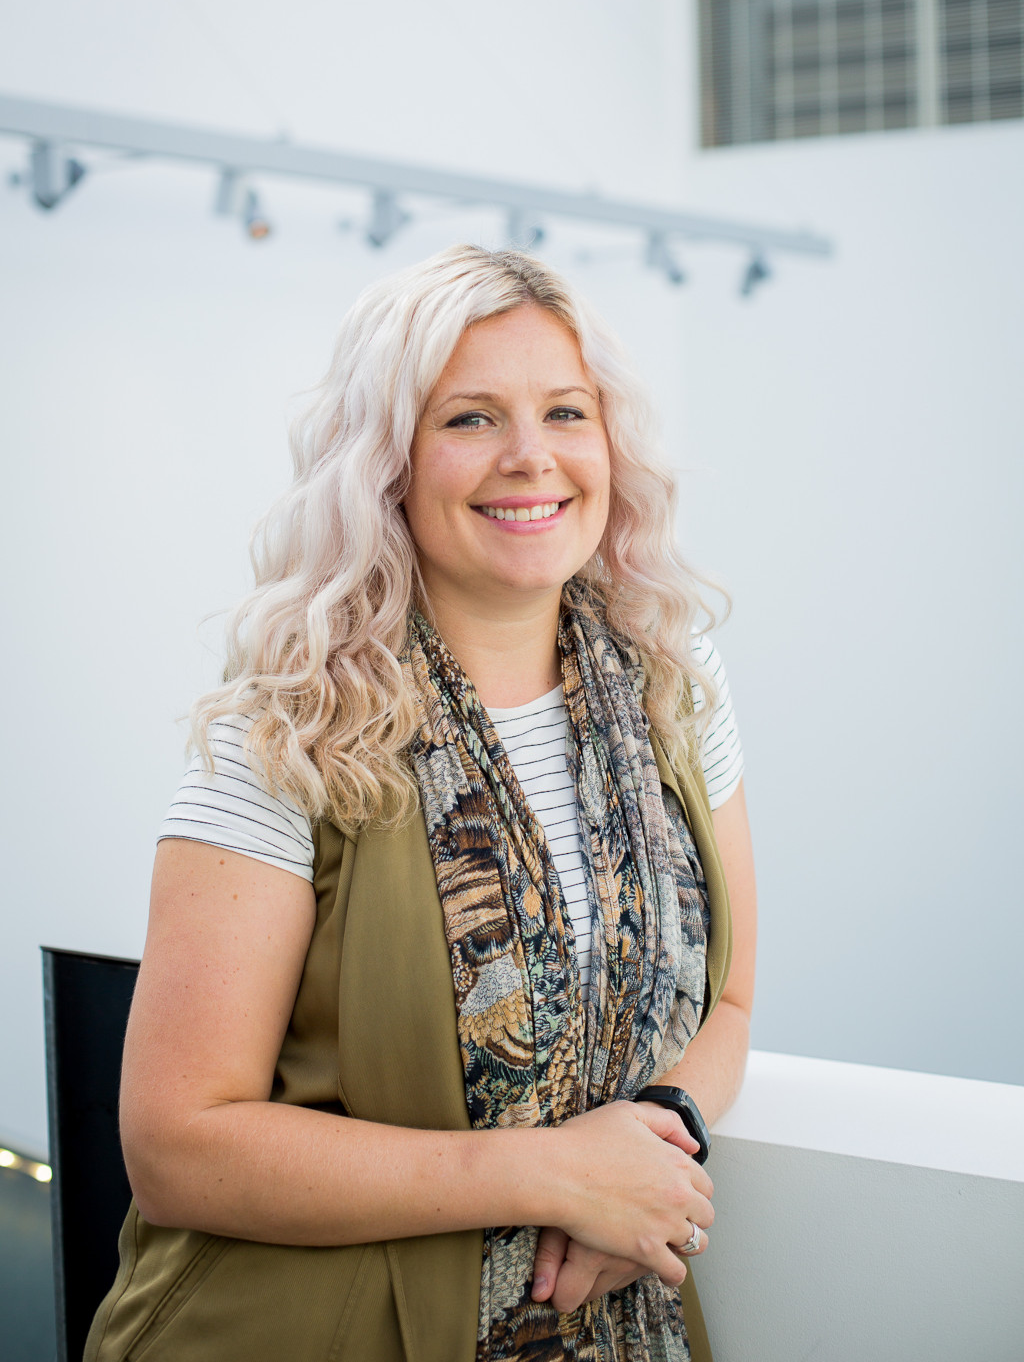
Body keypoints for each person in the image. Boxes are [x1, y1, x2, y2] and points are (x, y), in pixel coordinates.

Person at [85, 244, 756, 1362]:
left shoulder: (673, 683)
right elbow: (176, 1146)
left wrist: (653, 1148)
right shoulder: (292, 727)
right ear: (385, 463)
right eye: (470, 419)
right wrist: (555, 1177)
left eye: (566, 411)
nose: (531, 457)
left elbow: (726, 1002)